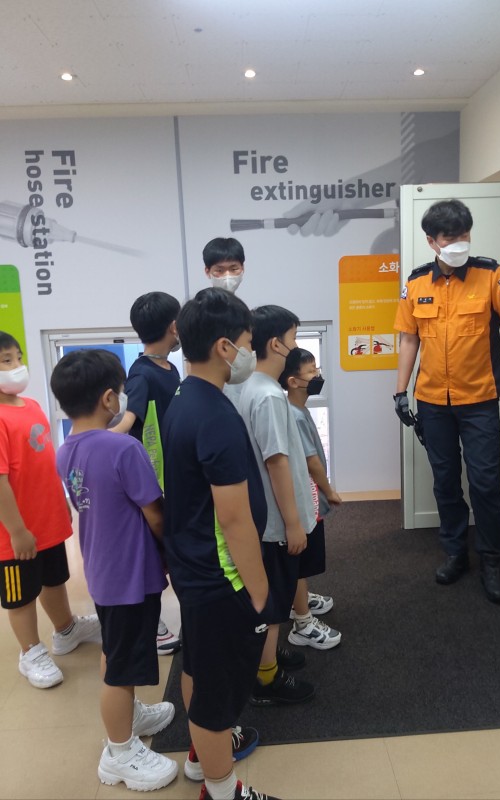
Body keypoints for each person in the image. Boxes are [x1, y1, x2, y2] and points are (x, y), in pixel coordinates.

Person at [393, 199, 500, 604]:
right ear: (432, 241)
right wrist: (400, 391)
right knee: (445, 482)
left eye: (464, 234)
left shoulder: (490, 274)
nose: (459, 243)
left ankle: (492, 560)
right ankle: (455, 553)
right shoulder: (416, 283)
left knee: (486, 483)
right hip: (433, 401)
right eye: (450, 237)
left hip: (480, 399)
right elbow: (409, 339)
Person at [161, 288, 279, 800]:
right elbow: (233, 517)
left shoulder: (184, 396)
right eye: (249, 342)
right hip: (221, 577)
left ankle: (200, 756)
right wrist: (259, 591)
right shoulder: (214, 414)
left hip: (192, 566)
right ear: (225, 347)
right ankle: (221, 789)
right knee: (216, 691)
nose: (251, 352)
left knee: (198, 666)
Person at [51, 349, 178, 792]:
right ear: (108, 398)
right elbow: (154, 513)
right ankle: (120, 752)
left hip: (104, 570)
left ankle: (131, 715)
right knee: (121, 668)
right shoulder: (123, 447)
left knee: (117, 650)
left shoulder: (65, 451)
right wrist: (170, 551)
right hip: (130, 573)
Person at [0, 331, 101, 689]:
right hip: (15, 533)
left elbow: (42, 462)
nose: (16, 366)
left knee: (53, 579)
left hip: (47, 520)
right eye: (6, 361)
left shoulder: (30, 406)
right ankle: (30, 652)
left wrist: (60, 505)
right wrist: (17, 531)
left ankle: (66, 630)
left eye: (17, 357)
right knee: (21, 594)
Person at [238, 305, 316, 706]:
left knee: (273, 599)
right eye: (293, 338)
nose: (295, 346)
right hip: (275, 523)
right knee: (273, 603)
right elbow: (276, 462)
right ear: (275, 344)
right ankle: (266, 678)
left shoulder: (253, 386)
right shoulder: (268, 395)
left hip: (267, 518)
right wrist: (293, 523)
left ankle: (265, 658)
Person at [110, 291, 182, 655]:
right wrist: (97, 443)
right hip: (150, 477)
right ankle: (149, 625)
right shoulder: (141, 373)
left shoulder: (171, 368)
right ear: (174, 326)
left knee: (169, 548)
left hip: (175, 472)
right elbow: (128, 420)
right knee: (150, 550)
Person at [278, 347, 342, 649]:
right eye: (311, 371)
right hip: (306, 495)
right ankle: (301, 619)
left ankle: (299, 598)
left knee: (303, 559)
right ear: (293, 381)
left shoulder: (297, 409)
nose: (317, 375)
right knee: (300, 558)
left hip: (307, 493)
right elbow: (311, 460)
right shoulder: (293, 413)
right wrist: (329, 490)